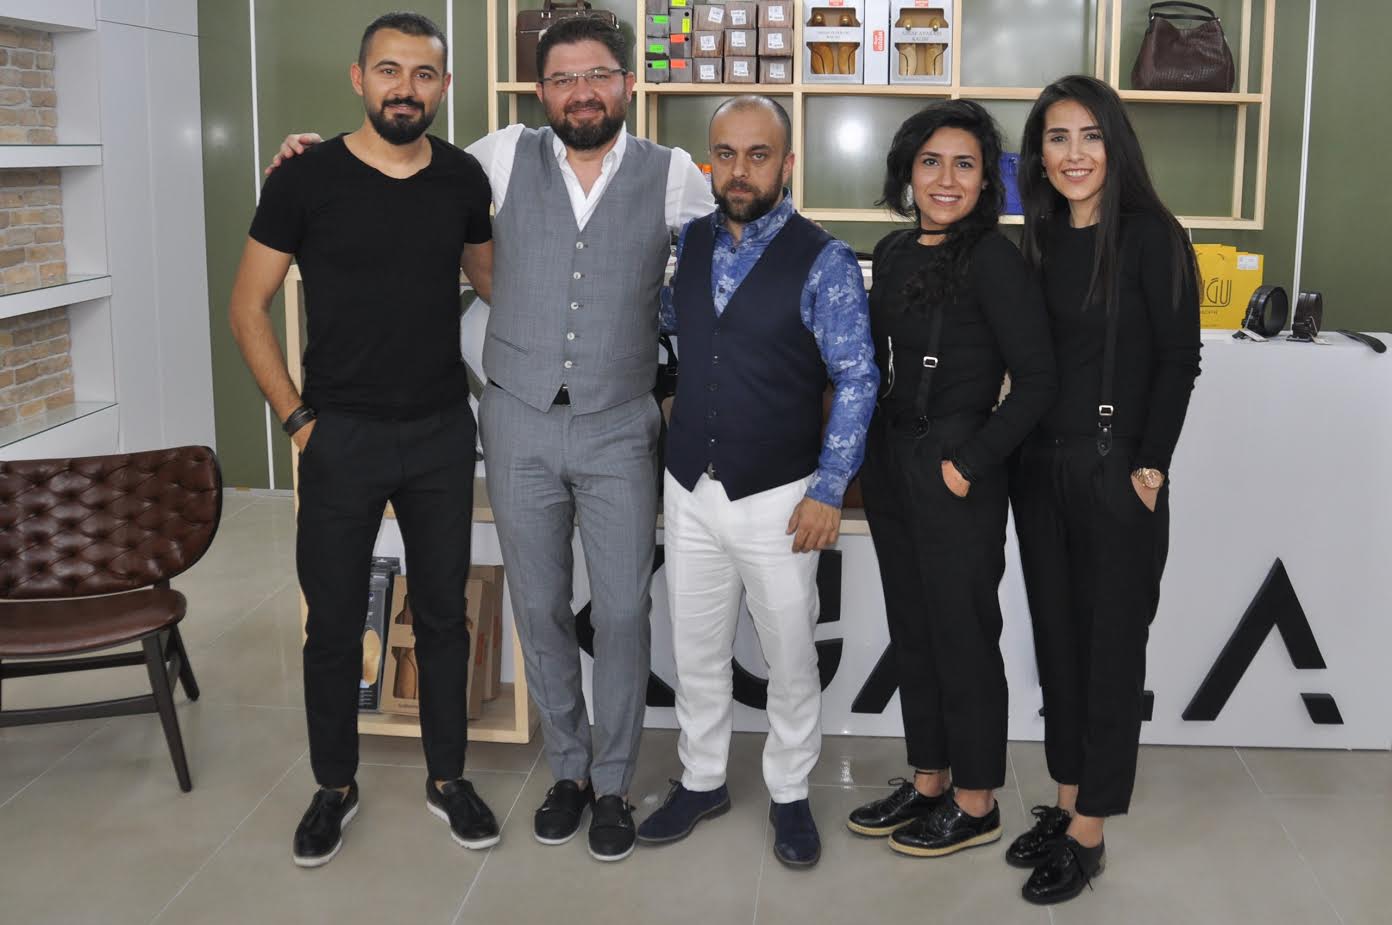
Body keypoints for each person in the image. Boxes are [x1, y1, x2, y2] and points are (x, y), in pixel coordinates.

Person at [271, 16, 714, 862]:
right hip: (515, 419)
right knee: (538, 605)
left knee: (623, 610)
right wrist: (310, 157)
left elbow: (742, 239)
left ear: (628, 83)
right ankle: (570, 770)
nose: (582, 92)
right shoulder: (502, 157)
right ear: (540, 92)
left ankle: (614, 782)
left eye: (598, 75)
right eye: (563, 79)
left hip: (620, 423)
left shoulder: (674, 176)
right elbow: (401, 162)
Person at [229, 12, 499, 868]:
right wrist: (297, 419)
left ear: (445, 86)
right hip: (339, 435)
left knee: (445, 615)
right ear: (358, 79)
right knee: (334, 622)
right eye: (389, 70)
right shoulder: (304, 179)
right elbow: (247, 307)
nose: (405, 89)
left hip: (441, 433)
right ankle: (334, 786)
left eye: (423, 74)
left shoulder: (461, 178)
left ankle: (448, 778)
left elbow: (493, 281)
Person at [634, 96, 877, 869]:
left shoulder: (824, 259)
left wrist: (829, 487)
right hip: (690, 488)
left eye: (758, 154)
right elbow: (676, 327)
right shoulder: (690, 241)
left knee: (790, 654)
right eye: (726, 154)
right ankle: (702, 777)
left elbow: (858, 377)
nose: (740, 171)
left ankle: (790, 790)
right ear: (710, 162)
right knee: (696, 648)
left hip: (780, 495)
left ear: (787, 163)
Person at [1005, 75, 1201, 904]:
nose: (1074, 154)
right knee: (1058, 643)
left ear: (1115, 144)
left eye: (1089, 135)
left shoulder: (1153, 236)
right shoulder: (1040, 238)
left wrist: (1150, 466)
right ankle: (1066, 798)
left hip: (1118, 471)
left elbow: (1179, 359)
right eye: (1057, 138)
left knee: (1110, 653)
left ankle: (1091, 831)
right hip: (1040, 470)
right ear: (1038, 155)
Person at [844, 101, 1056, 859]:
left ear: (987, 180)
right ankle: (929, 779)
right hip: (893, 459)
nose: (945, 178)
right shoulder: (895, 249)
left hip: (958, 464)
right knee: (916, 629)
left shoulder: (997, 259)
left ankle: (977, 800)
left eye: (965, 164)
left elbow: (1038, 381)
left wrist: (970, 463)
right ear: (907, 171)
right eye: (930, 161)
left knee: (963, 635)